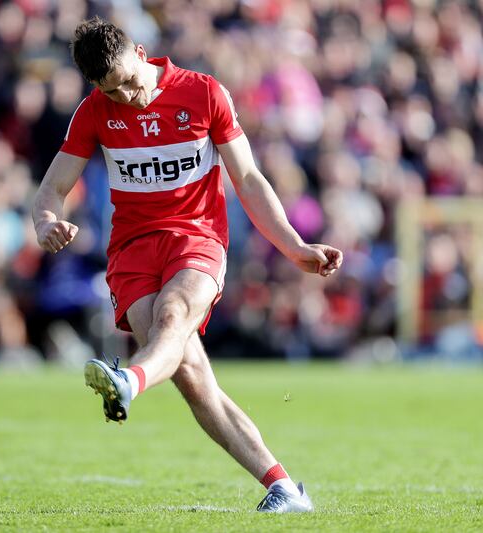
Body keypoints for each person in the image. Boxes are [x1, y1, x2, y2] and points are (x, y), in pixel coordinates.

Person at [32, 17, 343, 513]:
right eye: (113, 92)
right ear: (96, 87)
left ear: (140, 51)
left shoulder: (202, 93)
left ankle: (128, 381)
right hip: (132, 252)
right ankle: (283, 487)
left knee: (172, 316)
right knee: (191, 375)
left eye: (130, 82)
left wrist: (294, 246)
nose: (128, 97)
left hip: (197, 238)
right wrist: (48, 221)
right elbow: (52, 189)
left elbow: (248, 178)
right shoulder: (94, 111)